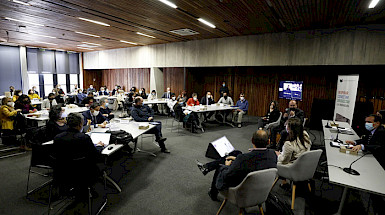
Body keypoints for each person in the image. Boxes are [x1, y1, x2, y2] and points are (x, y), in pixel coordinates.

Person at [200, 130, 277, 201]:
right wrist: (237, 159)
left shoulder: (243, 159)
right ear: (268, 142)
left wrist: (226, 166)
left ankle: (213, 193)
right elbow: (255, 162)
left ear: (252, 140)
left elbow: (227, 175)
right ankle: (207, 167)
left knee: (221, 167)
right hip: (262, 189)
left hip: (241, 187)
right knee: (237, 153)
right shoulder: (273, 154)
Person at [52, 113, 105, 194]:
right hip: (83, 173)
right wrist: (99, 147)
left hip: (62, 172)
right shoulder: (84, 138)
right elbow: (95, 156)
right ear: (80, 124)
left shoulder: (57, 138)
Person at [275, 118, 311, 188]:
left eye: (287, 126)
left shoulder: (289, 144)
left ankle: (284, 182)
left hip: (293, 168)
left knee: (274, 157)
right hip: (306, 166)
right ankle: (284, 182)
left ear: (289, 129)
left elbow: (284, 161)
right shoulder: (305, 135)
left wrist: (278, 155)